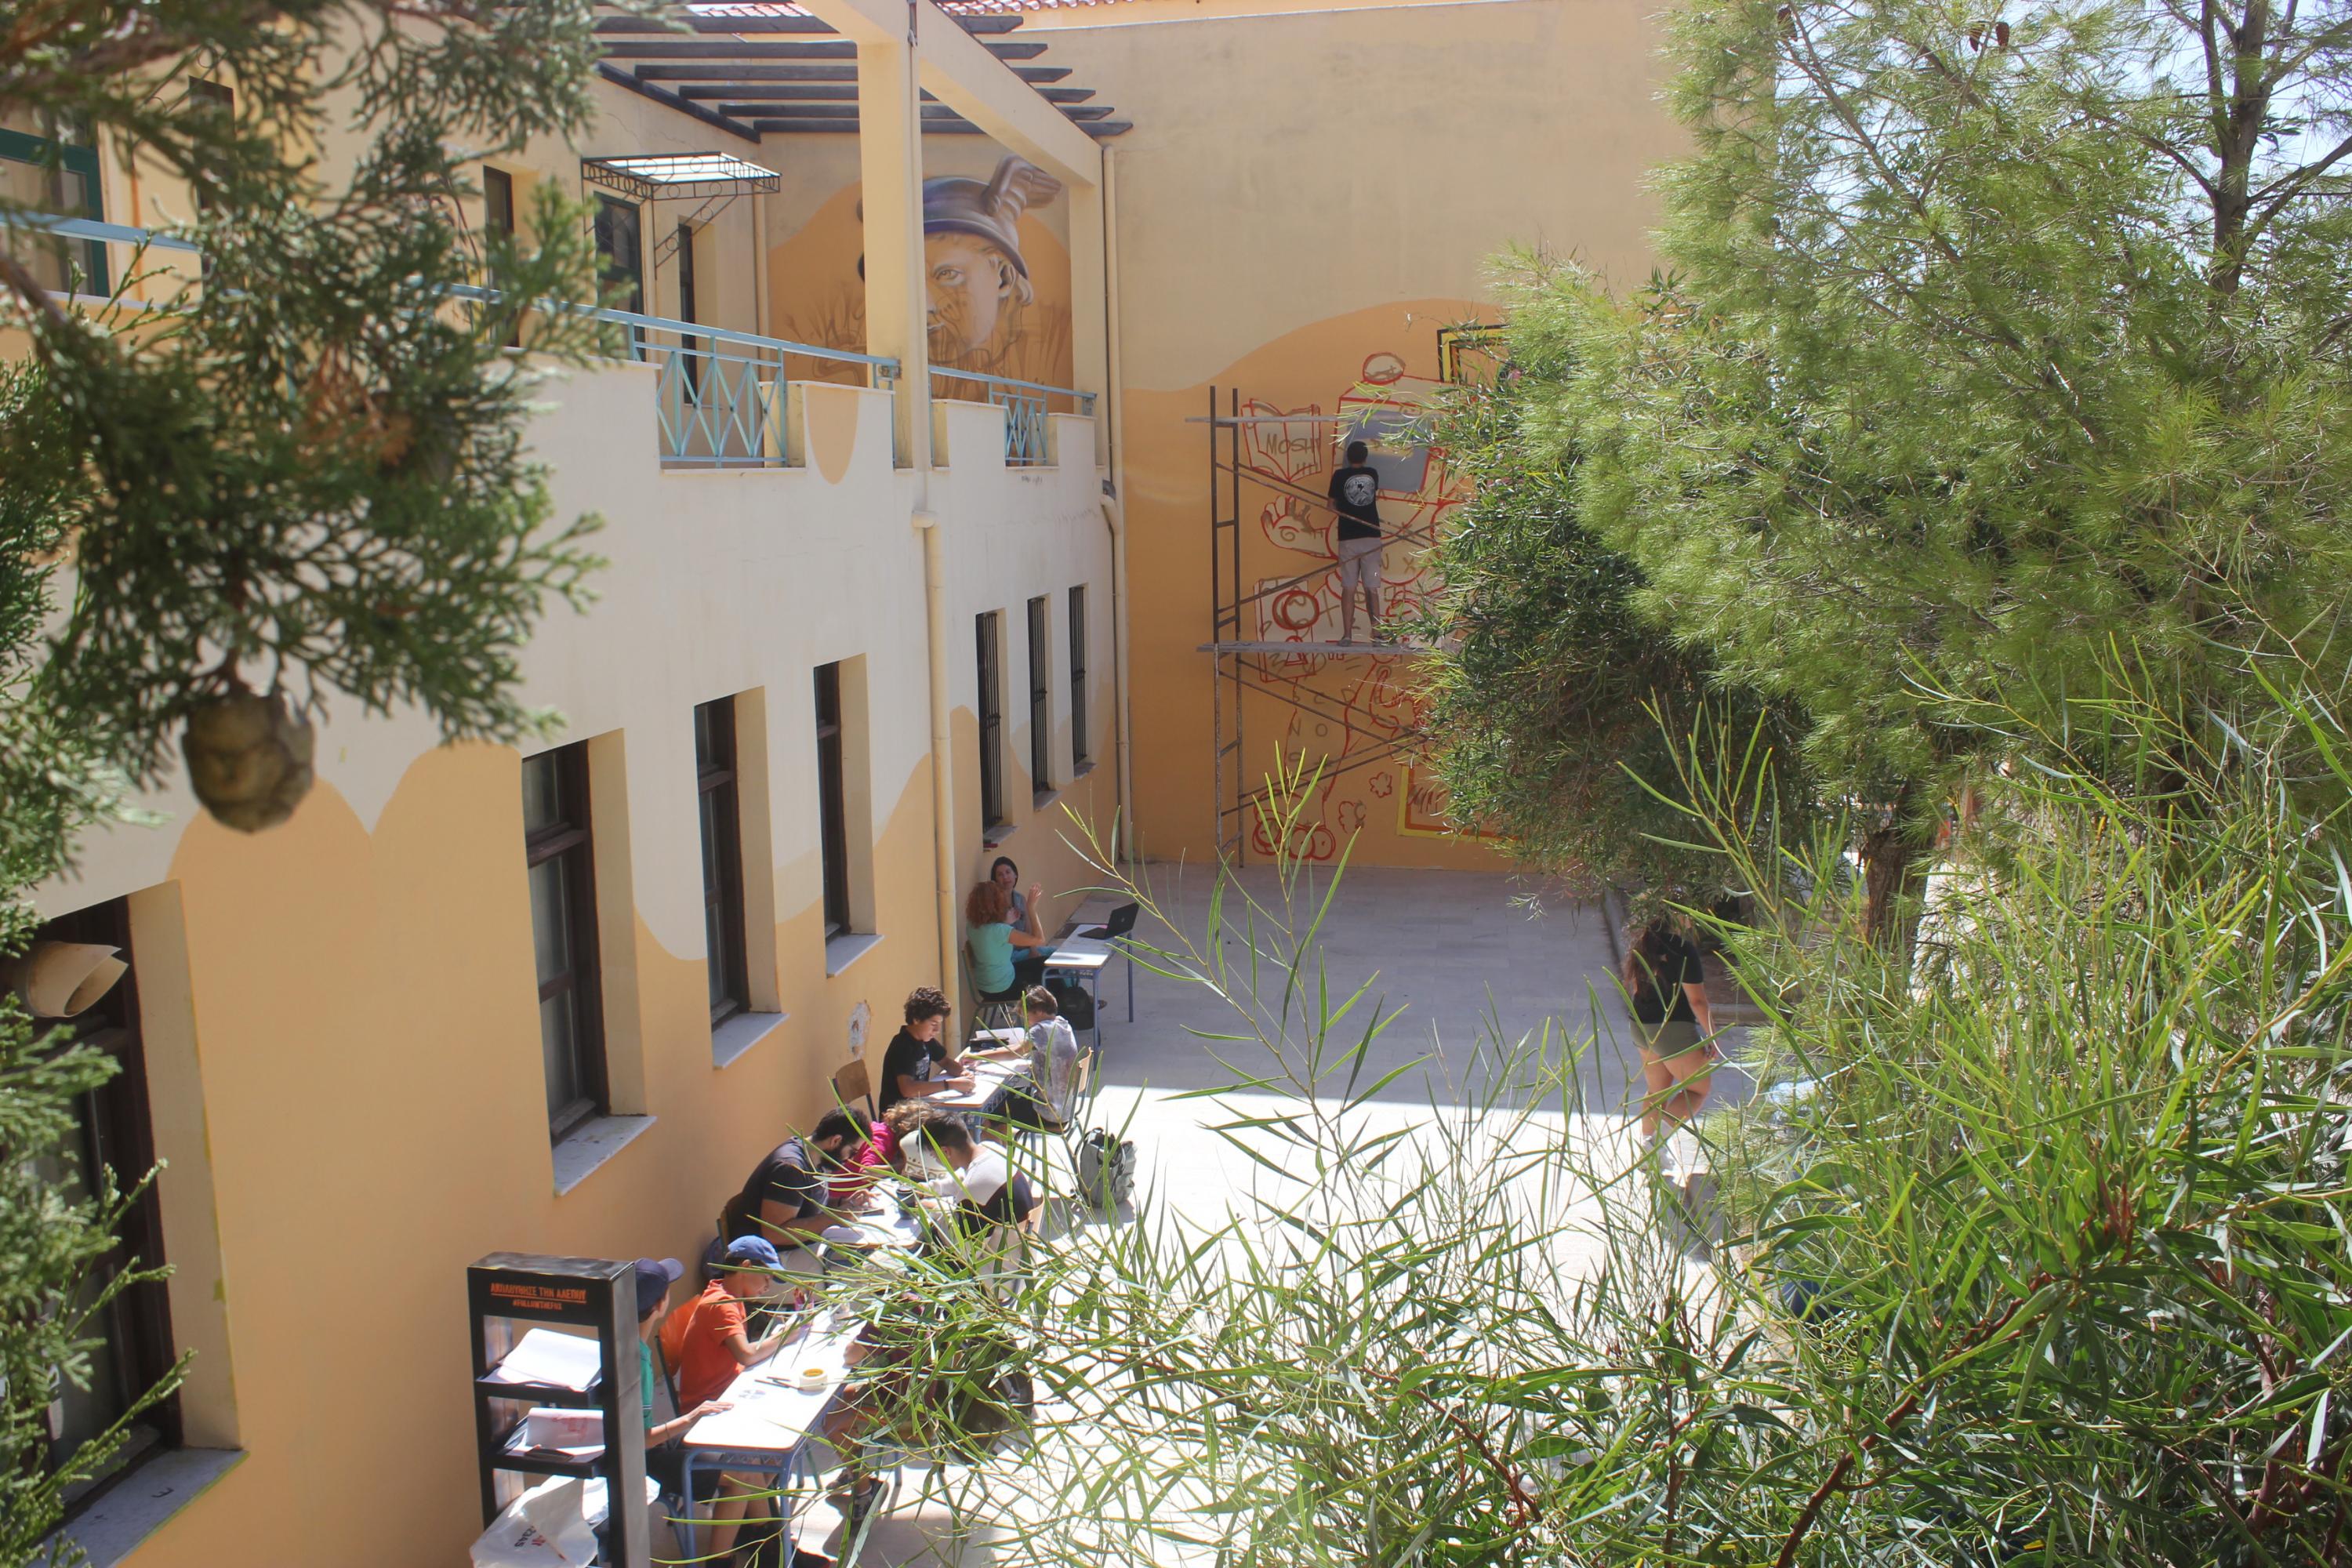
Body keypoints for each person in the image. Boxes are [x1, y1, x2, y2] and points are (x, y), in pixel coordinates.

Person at [659, 1237, 794, 1557]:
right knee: (758, 1463)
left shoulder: (730, 1296)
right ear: (745, 1267)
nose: (768, 1286)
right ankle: (765, 1545)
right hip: (707, 1416)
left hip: (727, 1398)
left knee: (767, 1455)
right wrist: (786, 1336)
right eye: (766, 1277)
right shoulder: (721, 1304)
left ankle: (765, 1540)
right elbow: (746, 1354)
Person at [706, 1111, 869, 1278]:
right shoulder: (790, 1168)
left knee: (857, 1259)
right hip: (764, 1265)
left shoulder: (814, 1158)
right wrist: (833, 1218)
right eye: (852, 1152)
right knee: (853, 1272)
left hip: (790, 1251)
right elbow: (775, 1233)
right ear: (836, 1141)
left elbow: (808, 1206)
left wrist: (842, 1204)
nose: (850, 1159)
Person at [631, 1258, 728, 1497]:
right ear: (660, 1304)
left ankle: (762, 1522)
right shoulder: (636, 1361)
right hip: (639, 1461)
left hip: (649, 1447)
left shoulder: (625, 1345)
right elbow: (638, 1440)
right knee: (743, 1477)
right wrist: (691, 1418)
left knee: (746, 1463)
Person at [1622, 918, 1719, 1140]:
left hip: (1640, 1025)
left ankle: (1647, 1149)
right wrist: (1713, 1036)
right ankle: (1655, 1144)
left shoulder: (1641, 943)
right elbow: (1697, 1002)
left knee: (1656, 1093)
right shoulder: (1682, 949)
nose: (1693, 916)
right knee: (1697, 1090)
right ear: (1674, 915)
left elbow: (1636, 988)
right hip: (1672, 1027)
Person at [976, 985, 1083, 1131]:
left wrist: (977, 1056)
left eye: (1027, 1017)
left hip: (1048, 1113)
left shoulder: (1040, 1030)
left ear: (1038, 1011)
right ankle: (1004, 1141)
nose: (1027, 1023)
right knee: (1009, 1096)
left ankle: (997, 1143)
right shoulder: (1063, 1024)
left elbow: (1015, 1052)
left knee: (990, 1109)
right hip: (1066, 1109)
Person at [916, 1118, 1036, 1240]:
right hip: (1020, 1239)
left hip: (1003, 1251)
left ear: (946, 1151)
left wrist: (936, 1209)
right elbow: (965, 1178)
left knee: (925, 1237)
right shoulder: (991, 1148)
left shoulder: (974, 1187)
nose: (937, 1161)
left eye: (934, 1156)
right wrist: (927, 1189)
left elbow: (964, 1248)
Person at [877, 985, 972, 1115]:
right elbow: (908, 1089)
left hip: (918, 1108)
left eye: (939, 1024)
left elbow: (945, 1062)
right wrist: (951, 1085)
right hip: (898, 1116)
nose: (937, 1030)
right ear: (916, 1019)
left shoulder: (925, 1040)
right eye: (933, 1024)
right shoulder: (902, 1045)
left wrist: (963, 1073)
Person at [1327, 440, 1385, 644]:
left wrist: (1344, 512)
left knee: (1349, 588)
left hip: (1348, 538)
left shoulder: (1339, 476)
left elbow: (1330, 506)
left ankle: (1347, 636)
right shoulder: (1372, 474)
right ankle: (1377, 635)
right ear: (1365, 457)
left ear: (1347, 457)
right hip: (1371, 537)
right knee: (1372, 588)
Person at [967, 879, 1054, 998]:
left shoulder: (972, 926)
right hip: (1005, 988)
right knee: (1049, 969)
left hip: (985, 988)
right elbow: (1039, 939)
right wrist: (1031, 908)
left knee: (1042, 963)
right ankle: (1065, 1004)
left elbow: (990, 936)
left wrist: (1005, 922)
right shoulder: (1000, 931)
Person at [990, 855, 1044, 938]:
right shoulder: (992, 902)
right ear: (995, 880)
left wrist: (1033, 949)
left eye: (1008, 872)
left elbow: (1029, 931)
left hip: (1024, 944)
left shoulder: (1020, 899)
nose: (1005, 877)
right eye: (1000, 875)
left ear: (1015, 874)